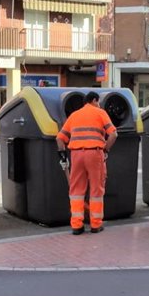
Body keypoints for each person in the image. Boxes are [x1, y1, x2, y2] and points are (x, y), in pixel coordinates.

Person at [56, 91, 118, 235]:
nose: (99, 104)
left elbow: (60, 138)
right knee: (96, 190)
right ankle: (96, 224)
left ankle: (77, 225)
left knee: (76, 191)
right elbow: (114, 133)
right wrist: (106, 149)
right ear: (94, 100)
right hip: (94, 153)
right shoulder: (100, 112)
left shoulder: (74, 115)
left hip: (76, 154)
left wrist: (63, 155)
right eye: (98, 102)